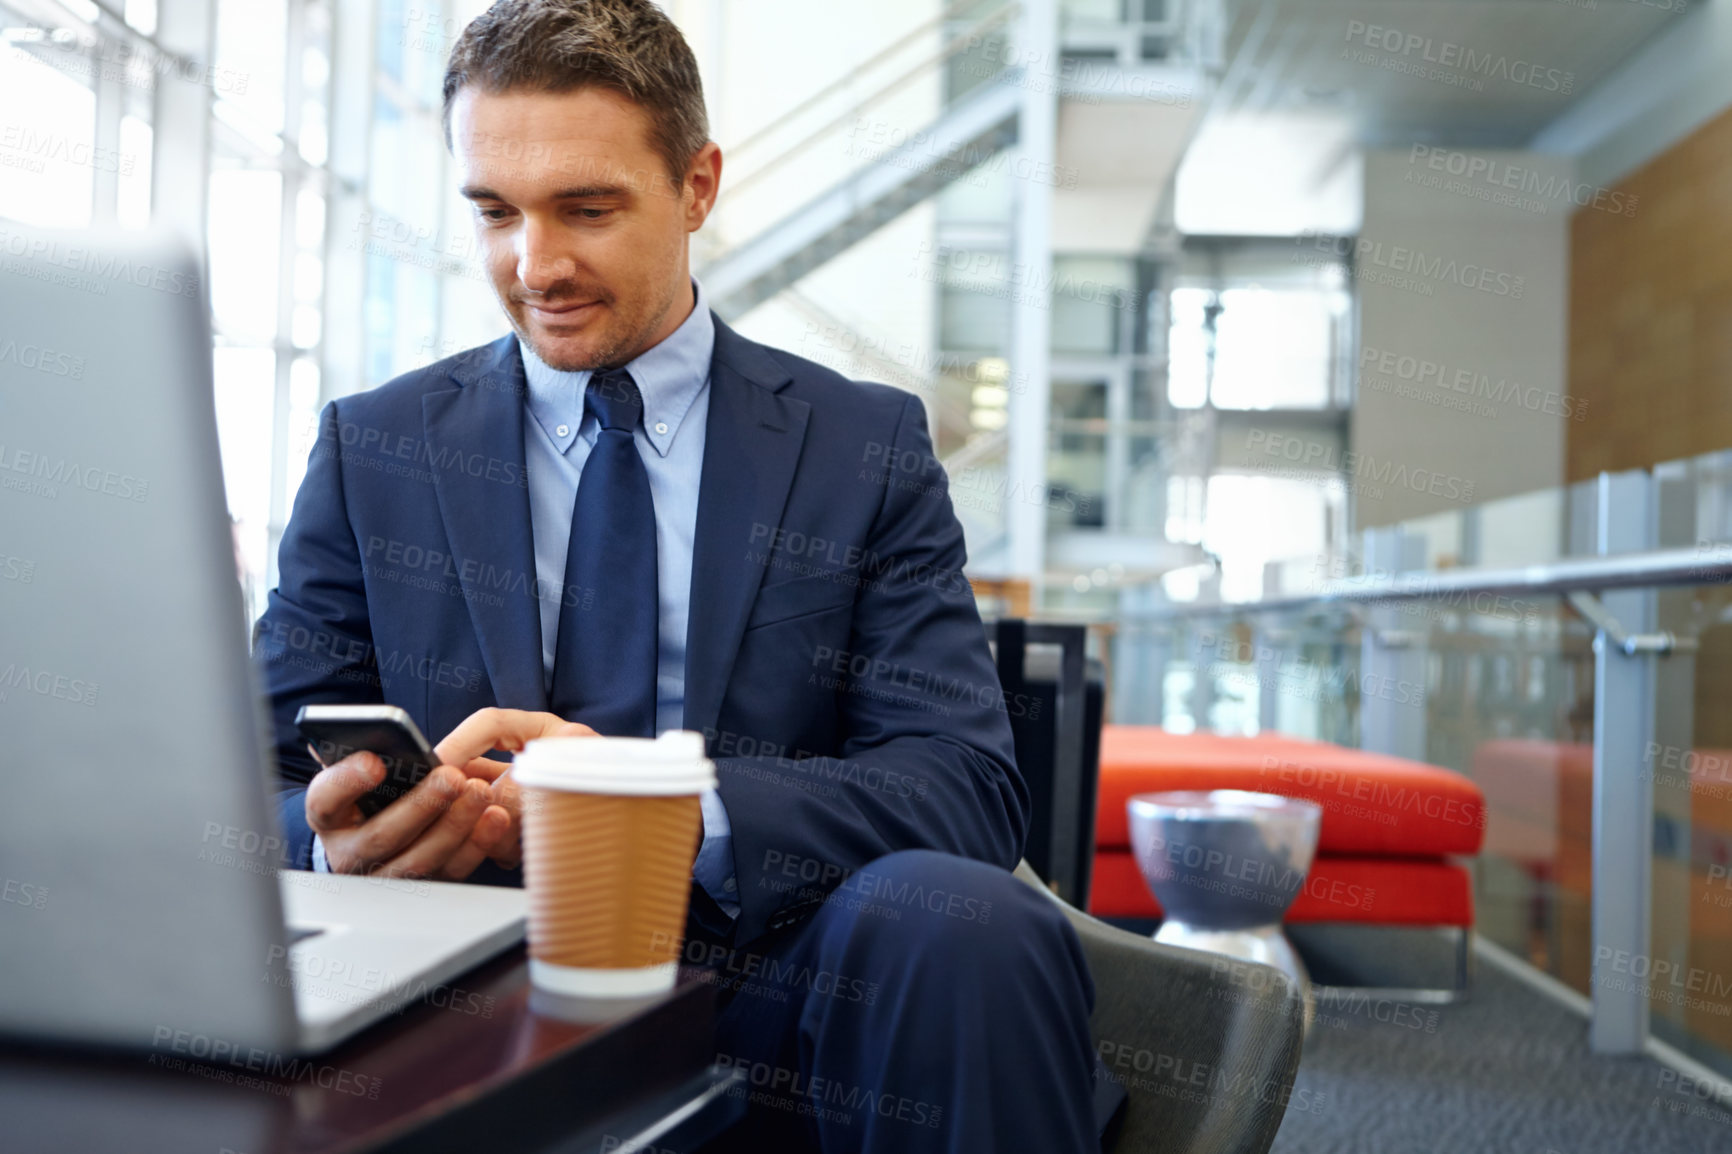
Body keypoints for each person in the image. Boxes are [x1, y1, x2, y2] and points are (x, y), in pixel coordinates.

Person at [251, 1, 1113, 1149]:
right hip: (458, 979)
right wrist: (323, 837)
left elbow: (961, 780)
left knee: (965, 920)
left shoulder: (863, 445)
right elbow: (239, 786)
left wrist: (653, 801)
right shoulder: (376, 447)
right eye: (495, 212)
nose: (535, 264)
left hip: (778, 980)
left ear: (696, 186)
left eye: (586, 209)